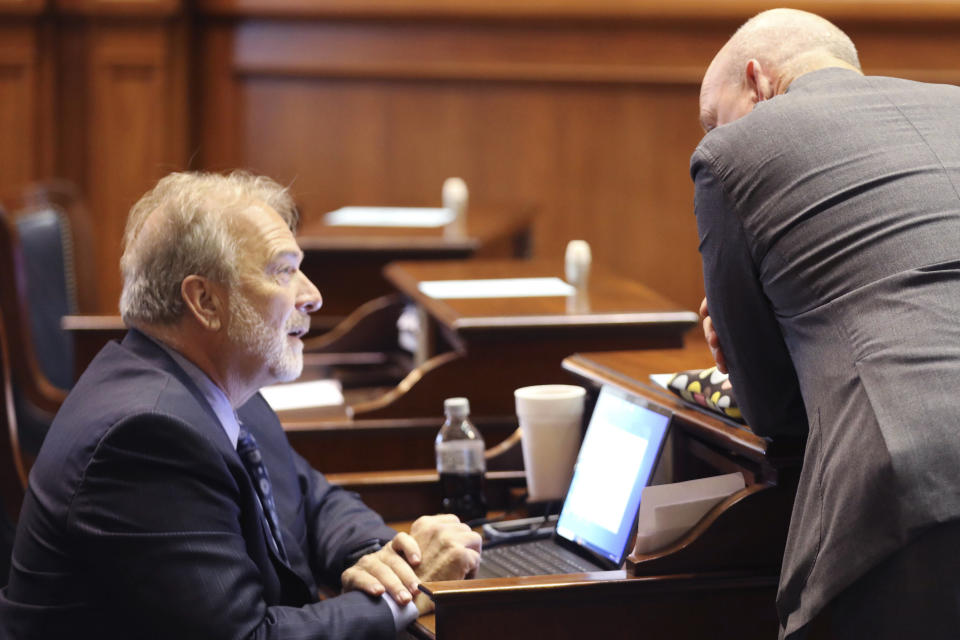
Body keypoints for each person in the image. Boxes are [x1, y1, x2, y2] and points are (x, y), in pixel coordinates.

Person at [0, 171, 482, 639]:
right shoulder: (146, 435)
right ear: (205, 301)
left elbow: (312, 499)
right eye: (284, 271)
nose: (312, 296)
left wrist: (385, 556)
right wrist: (408, 592)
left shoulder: (218, 388)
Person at [693, 8, 960, 639]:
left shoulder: (730, 152)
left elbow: (776, 411)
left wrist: (738, 347)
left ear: (757, 82)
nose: (708, 133)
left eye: (711, 115)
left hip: (914, 483)